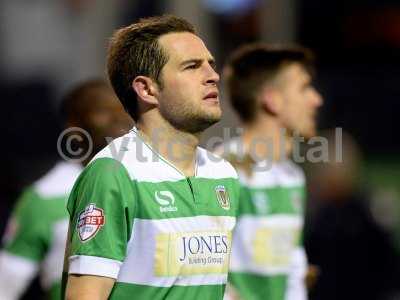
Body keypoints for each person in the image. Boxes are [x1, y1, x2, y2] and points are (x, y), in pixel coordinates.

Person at [62, 15, 240, 300]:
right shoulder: (115, 173)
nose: (213, 75)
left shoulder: (223, 174)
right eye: (192, 66)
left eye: (210, 64)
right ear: (146, 89)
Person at [0, 79, 133, 300]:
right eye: (103, 111)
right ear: (73, 127)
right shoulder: (44, 197)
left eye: (124, 109)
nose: (118, 118)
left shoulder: (163, 179)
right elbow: (5, 287)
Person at [220, 44, 323, 300]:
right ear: (272, 100)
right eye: (304, 87)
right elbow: (196, 267)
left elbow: (293, 269)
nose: (316, 99)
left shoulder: (292, 176)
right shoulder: (223, 171)